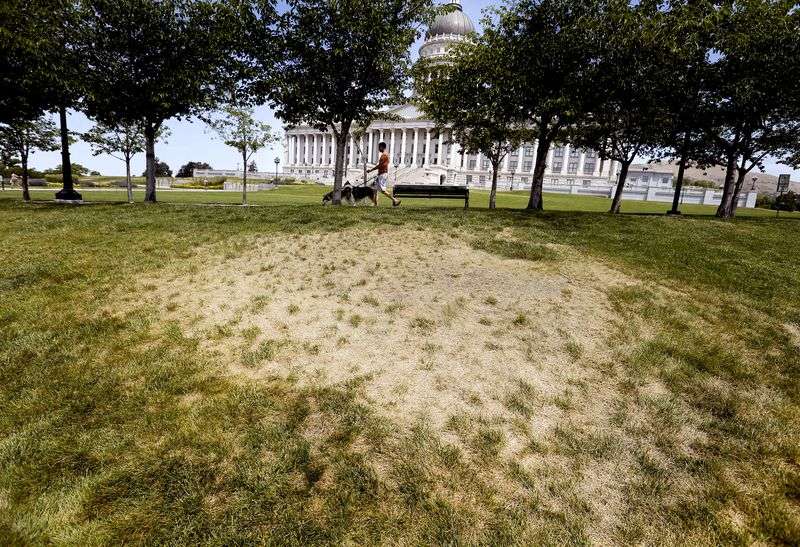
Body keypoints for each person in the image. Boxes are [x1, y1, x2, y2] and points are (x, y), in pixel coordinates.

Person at [367, 142, 400, 207]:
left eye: (379, 147)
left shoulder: (384, 155)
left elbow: (380, 165)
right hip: (381, 173)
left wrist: (371, 170)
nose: (378, 149)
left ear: (382, 147)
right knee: (374, 188)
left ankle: (395, 200)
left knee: (383, 190)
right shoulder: (385, 155)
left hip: (383, 174)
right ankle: (375, 203)